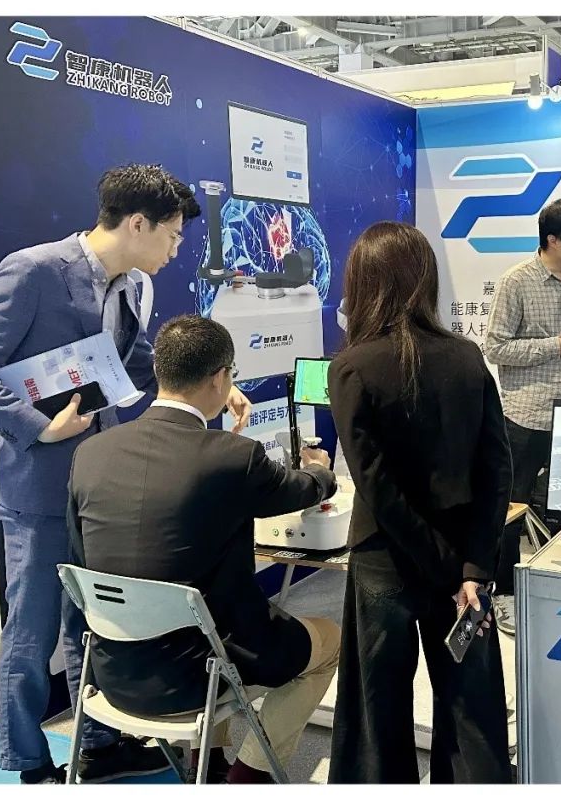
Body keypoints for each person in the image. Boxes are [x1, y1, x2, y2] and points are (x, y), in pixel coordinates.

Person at [0, 163, 252, 783]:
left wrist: (210, 386)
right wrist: (39, 427)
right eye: (172, 235)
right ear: (137, 224)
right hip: (37, 485)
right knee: (32, 627)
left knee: (89, 619)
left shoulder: (134, 287)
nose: (177, 250)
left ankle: (97, 746)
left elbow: (135, 362)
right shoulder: (34, 271)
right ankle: (28, 760)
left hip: (98, 482)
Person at [68, 315, 340, 784]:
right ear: (219, 378)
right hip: (203, 671)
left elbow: (81, 561)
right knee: (331, 640)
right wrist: (320, 469)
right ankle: (249, 776)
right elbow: (299, 489)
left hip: (115, 672)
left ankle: (206, 764)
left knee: (206, 619)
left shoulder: (90, 453)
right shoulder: (231, 456)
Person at [327, 222, 513, 784]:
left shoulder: (352, 367)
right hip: (463, 566)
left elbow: (378, 488)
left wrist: (448, 568)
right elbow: (496, 472)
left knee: (377, 710)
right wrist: (471, 568)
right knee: (472, 709)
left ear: (363, 283)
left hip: (387, 557)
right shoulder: (467, 357)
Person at [484, 198, 561, 635]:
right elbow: (495, 347)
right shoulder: (517, 281)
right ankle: (505, 594)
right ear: (553, 240)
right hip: (525, 417)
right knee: (511, 511)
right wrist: (555, 346)